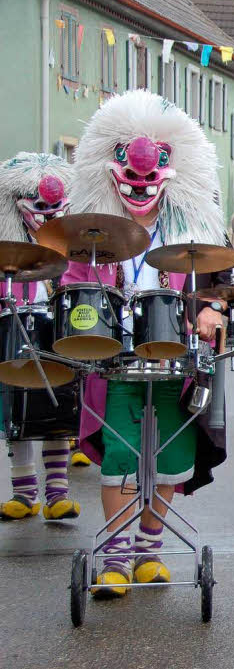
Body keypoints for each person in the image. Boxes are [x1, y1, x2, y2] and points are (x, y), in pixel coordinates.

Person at [64, 90, 234, 598]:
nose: (140, 187)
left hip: (175, 360)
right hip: (114, 361)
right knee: (120, 453)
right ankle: (114, 560)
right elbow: (73, 288)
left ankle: (149, 549)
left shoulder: (194, 232)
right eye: (130, 175)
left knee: (169, 452)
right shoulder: (91, 234)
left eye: (151, 175)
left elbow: (219, 283)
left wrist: (212, 308)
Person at [0, 152, 83, 521]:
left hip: (55, 329)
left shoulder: (71, 252)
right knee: (17, 406)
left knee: (57, 405)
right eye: (39, 206)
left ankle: (57, 492)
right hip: (14, 327)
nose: (47, 213)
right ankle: (24, 492)